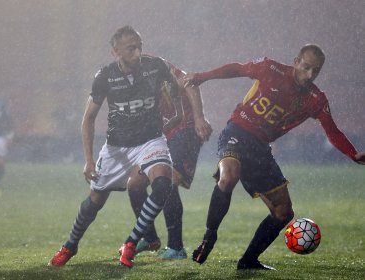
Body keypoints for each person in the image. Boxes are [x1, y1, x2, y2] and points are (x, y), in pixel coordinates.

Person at [183, 44, 365, 270]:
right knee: (229, 176)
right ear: (296, 61)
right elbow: (236, 69)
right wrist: (203, 77)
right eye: (306, 67)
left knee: (283, 213)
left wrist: (352, 153)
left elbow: (333, 131)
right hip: (237, 133)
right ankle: (209, 237)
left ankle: (249, 260)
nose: (309, 75)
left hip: (260, 148)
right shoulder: (270, 69)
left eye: (315, 71)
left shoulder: (315, 99)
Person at [48, 25, 183, 268]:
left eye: (140, 46)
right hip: (117, 147)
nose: (138, 51)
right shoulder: (105, 76)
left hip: (150, 140)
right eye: (131, 47)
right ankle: (70, 246)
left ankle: (131, 243)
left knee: (163, 183)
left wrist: (178, 113)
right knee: (95, 201)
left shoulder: (156, 66)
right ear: (115, 51)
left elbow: (175, 85)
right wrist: (89, 160)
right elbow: (88, 118)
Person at [126, 64, 212, 260]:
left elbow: (189, 84)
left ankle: (176, 247)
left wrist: (199, 117)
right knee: (135, 184)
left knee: (168, 181)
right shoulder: (124, 86)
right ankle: (150, 238)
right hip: (161, 136)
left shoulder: (157, 68)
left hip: (185, 130)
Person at [0, 97, 13, 185]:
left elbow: (9, 127)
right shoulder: (5, 115)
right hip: (1, 139)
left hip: (1, 139)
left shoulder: (5, 116)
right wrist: (9, 138)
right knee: (1, 162)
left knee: (1, 162)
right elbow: (9, 127)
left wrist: (8, 138)